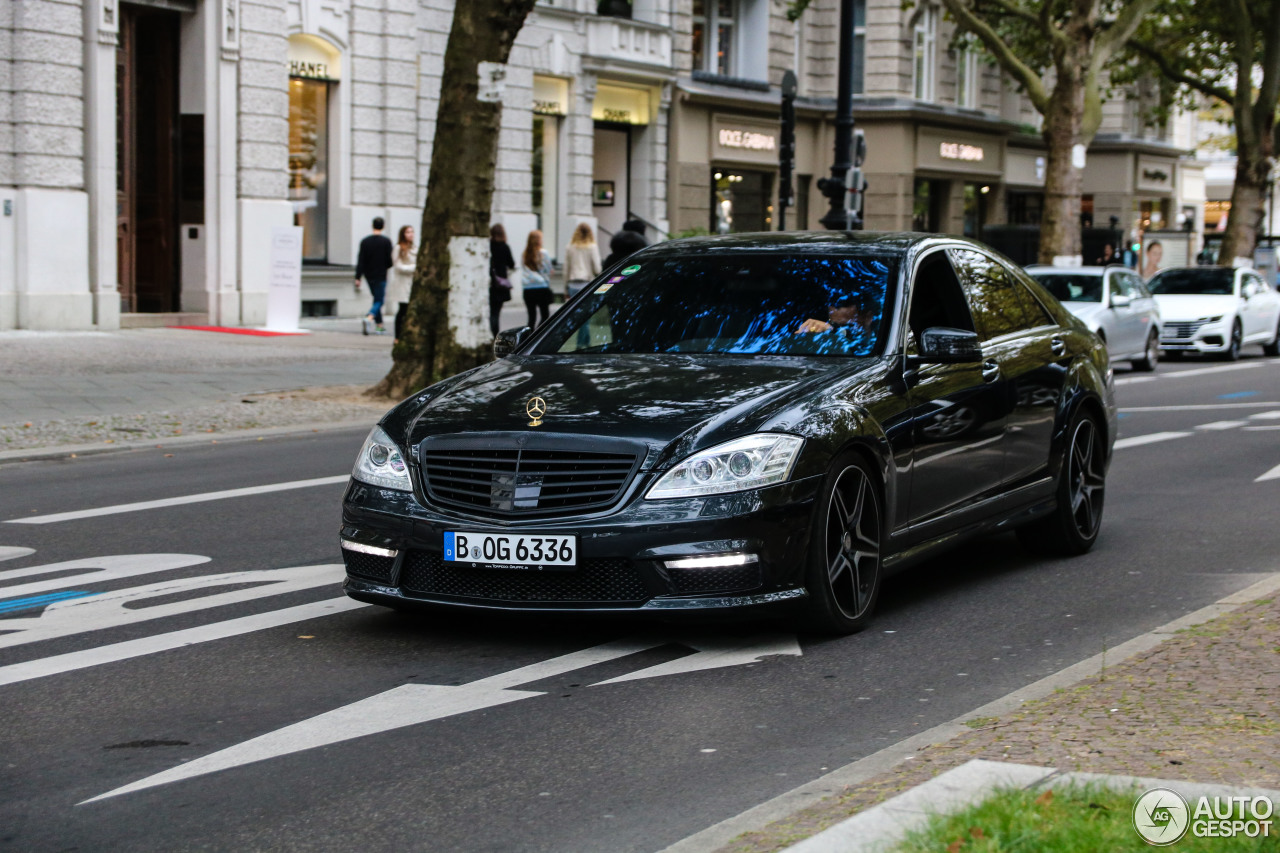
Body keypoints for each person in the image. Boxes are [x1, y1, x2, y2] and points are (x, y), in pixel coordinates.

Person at [354, 216, 393, 335]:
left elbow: (361, 260)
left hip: (369, 275)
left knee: (376, 299)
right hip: (381, 274)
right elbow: (390, 261)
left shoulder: (365, 242)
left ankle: (379, 326)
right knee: (380, 300)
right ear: (383, 226)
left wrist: (358, 277)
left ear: (372, 226)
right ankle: (369, 317)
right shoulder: (386, 242)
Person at [520, 229, 553, 329]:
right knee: (545, 315)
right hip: (541, 287)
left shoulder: (525, 254)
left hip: (528, 289)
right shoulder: (543, 253)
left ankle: (529, 338)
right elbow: (548, 269)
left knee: (531, 317)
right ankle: (538, 335)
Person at [389, 225, 416, 343]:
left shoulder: (415, 248)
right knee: (403, 309)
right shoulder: (398, 248)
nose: (410, 234)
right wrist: (414, 268)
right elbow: (398, 266)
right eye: (407, 232)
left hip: (412, 282)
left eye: (412, 232)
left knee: (410, 309)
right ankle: (397, 336)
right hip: (402, 282)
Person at [489, 223, 516, 337]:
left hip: (490, 282)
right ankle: (495, 334)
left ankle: (491, 333)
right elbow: (511, 263)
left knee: (491, 311)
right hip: (501, 283)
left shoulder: (489, 246)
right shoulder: (505, 247)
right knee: (496, 312)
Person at [563, 223, 602, 300]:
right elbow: (597, 269)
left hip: (573, 283)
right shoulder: (592, 247)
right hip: (587, 282)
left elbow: (566, 269)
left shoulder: (570, 247)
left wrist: (565, 289)